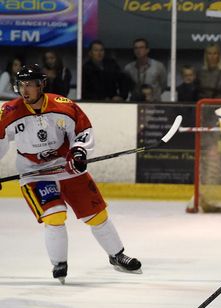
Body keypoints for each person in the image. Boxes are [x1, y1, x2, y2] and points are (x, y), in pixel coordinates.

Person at [0, 65, 142, 284]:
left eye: (29, 85)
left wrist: (78, 152)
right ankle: (60, 263)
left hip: (67, 170)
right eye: (21, 85)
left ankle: (117, 255)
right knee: (54, 215)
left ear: (41, 85)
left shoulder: (63, 106)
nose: (24, 90)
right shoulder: (9, 112)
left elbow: (83, 131)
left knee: (97, 215)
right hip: (34, 174)